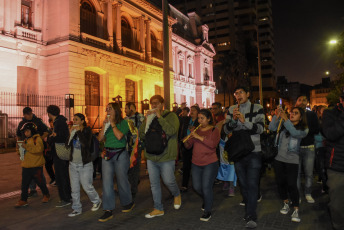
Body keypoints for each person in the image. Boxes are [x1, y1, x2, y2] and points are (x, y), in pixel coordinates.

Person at [223, 86, 265, 229]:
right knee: (244, 184)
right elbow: (226, 129)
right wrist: (233, 120)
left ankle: (251, 215)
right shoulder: (231, 109)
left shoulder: (257, 107)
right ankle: (249, 208)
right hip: (238, 152)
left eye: (241, 92)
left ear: (248, 94)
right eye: (236, 93)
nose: (238, 95)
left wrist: (244, 121)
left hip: (254, 151)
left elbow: (260, 128)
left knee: (252, 184)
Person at [139, 95, 181, 218]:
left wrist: (159, 117)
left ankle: (176, 194)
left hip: (166, 156)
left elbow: (172, 131)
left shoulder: (171, 116)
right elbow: (142, 135)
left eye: (156, 103)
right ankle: (158, 208)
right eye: (152, 103)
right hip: (151, 156)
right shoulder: (149, 117)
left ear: (162, 104)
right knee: (154, 183)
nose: (154, 106)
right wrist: (146, 120)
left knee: (168, 180)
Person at [269, 107, 308, 223]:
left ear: (301, 117)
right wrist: (277, 115)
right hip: (279, 159)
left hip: (292, 160)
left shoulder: (304, 129)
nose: (292, 114)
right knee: (281, 182)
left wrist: (286, 119)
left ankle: (296, 208)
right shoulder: (283, 124)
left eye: (296, 113)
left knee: (292, 184)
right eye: (291, 112)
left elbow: (295, 133)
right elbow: (271, 128)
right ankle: (285, 202)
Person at [97, 102, 134, 222]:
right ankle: (108, 210)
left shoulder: (124, 123)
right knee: (107, 182)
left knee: (121, 180)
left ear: (116, 111)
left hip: (120, 154)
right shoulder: (106, 124)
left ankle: (128, 202)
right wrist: (104, 126)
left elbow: (119, 136)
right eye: (106, 109)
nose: (107, 111)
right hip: (107, 154)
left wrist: (112, 123)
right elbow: (100, 138)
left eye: (110, 109)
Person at [184, 109, 220, 221]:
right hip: (196, 163)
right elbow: (188, 146)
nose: (199, 120)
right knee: (196, 186)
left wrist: (198, 137)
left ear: (209, 119)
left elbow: (213, 144)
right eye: (199, 118)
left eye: (202, 118)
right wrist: (187, 139)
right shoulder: (196, 130)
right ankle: (207, 198)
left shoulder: (214, 130)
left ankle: (207, 211)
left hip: (210, 162)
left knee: (206, 187)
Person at [66, 113, 102, 217]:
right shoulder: (73, 131)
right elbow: (67, 145)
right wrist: (70, 134)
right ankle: (76, 208)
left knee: (87, 186)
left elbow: (86, 144)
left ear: (82, 121)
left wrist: (78, 132)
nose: (74, 122)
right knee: (74, 189)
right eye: (74, 119)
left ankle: (96, 200)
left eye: (76, 120)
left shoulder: (87, 131)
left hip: (85, 164)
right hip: (73, 164)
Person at [321, 93, 344, 230]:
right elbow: (330, 133)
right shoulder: (330, 114)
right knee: (337, 206)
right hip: (338, 167)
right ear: (341, 100)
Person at [15, 122, 50, 207]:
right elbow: (21, 154)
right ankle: (23, 199)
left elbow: (38, 150)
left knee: (40, 182)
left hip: (36, 166)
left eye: (27, 131)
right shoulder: (25, 140)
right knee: (24, 184)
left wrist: (25, 147)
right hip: (26, 166)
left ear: (32, 130)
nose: (25, 133)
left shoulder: (37, 139)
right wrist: (19, 148)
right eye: (24, 132)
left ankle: (46, 194)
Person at [16, 107, 49, 197]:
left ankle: (45, 192)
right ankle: (32, 190)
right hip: (25, 149)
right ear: (24, 115)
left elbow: (47, 131)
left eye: (30, 114)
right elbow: (18, 136)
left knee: (38, 172)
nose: (30, 116)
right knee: (27, 170)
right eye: (28, 114)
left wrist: (40, 139)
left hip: (35, 149)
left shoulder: (38, 121)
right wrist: (19, 146)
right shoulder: (21, 123)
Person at [295, 95, 320, 203]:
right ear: (296, 102)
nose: (302, 102)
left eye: (304, 100)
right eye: (299, 100)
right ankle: (297, 195)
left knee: (309, 173)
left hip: (309, 147)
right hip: (296, 147)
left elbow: (316, 129)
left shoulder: (311, 114)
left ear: (307, 102)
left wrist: (305, 131)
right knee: (296, 173)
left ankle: (308, 192)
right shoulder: (293, 113)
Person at [47, 105, 72, 207]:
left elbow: (60, 137)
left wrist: (51, 138)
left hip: (59, 152)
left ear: (49, 113)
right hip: (61, 152)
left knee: (61, 176)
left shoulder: (58, 122)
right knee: (64, 175)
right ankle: (67, 196)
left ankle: (65, 199)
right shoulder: (61, 121)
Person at [125, 102, 145, 200]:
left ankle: (133, 189)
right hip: (127, 146)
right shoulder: (125, 119)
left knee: (135, 167)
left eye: (126, 108)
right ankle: (133, 183)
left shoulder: (140, 117)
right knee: (128, 168)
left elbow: (145, 129)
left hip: (137, 146)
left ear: (132, 108)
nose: (125, 110)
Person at [179, 105, 200, 192]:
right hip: (186, 144)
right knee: (186, 165)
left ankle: (197, 184)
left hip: (195, 146)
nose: (192, 112)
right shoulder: (187, 120)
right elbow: (182, 128)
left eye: (194, 110)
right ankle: (184, 184)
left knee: (196, 166)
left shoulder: (199, 121)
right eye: (191, 110)